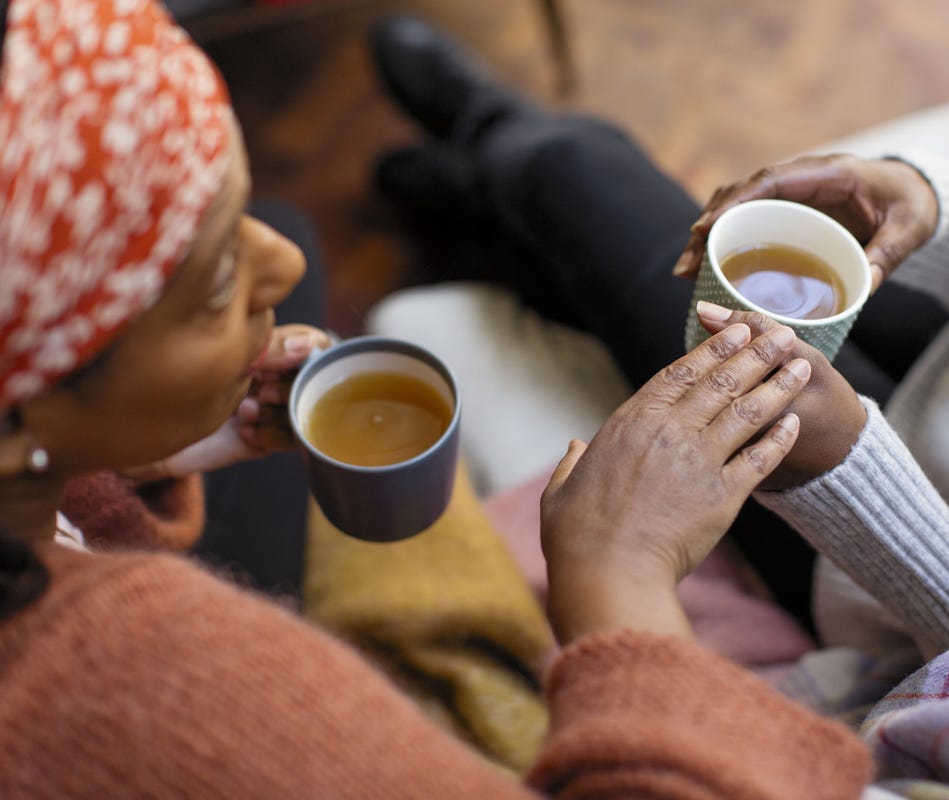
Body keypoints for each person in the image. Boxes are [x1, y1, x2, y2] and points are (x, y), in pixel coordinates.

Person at [0, 0, 874, 796]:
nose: (284, 264)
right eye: (219, 275)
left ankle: (467, 180)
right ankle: (485, 166)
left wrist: (147, 455)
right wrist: (620, 578)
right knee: (565, 176)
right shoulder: (168, 689)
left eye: (237, 214)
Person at [367, 16, 949, 716]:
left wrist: (843, 471)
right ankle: (486, 190)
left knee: (574, 173)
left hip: (905, 548)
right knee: (585, 205)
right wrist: (937, 206)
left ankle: (485, 161)